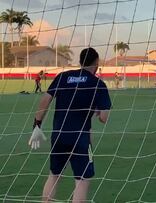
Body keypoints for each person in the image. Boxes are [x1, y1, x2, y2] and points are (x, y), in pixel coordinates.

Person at [28, 47, 112, 202]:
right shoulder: (98, 84)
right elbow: (104, 118)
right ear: (96, 64)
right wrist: (99, 111)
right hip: (81, 139)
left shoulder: (62, 77)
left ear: (80, 62)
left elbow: (45, 99)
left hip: (59, 136)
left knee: (54, 176)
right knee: (82, 181)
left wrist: (37, 125)